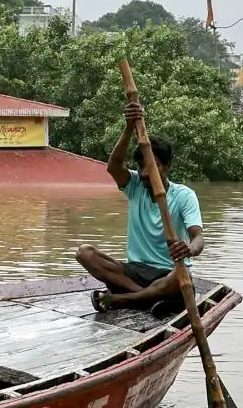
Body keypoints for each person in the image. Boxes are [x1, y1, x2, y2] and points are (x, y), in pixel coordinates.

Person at [76, 99, 204, 313]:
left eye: (153, 167)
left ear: (167, 166)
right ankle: (143, 298)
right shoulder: (135, 186)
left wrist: (189, 248)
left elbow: (198, 238)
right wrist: (128, 126)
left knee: (182, 277)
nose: (145, 173)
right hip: (135, 272)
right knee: (84, 253)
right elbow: (113, 166)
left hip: (167, 274)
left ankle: (123, 300)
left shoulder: (184, 196)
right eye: (141, 167)